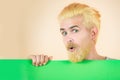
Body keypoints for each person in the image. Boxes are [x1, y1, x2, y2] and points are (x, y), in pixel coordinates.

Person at [30, 3, 111, 66]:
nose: (68, 39)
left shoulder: (116, 68)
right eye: (64, 33)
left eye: (75, 30)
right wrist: (30, 65)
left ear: (93, 33)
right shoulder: (57, 71)